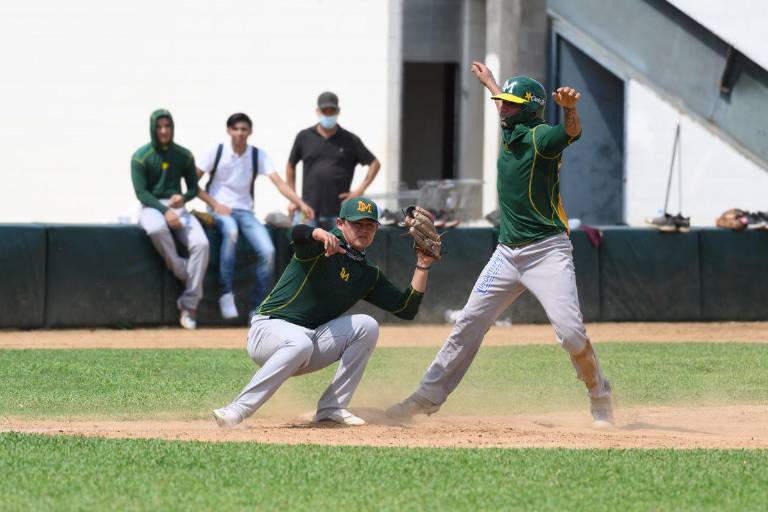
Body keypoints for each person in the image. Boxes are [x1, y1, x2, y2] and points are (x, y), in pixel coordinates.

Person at [386, 62, 615, 428]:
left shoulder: (541, 137)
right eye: (502, 101)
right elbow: (503, 105)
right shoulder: (512, 130)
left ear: (528, 109)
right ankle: (423, 399)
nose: (502, 107)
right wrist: (491, 82)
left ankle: (600, 395)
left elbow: (570, 133)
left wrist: (570, 109)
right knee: (467, 325)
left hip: (547, 252)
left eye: (511, 103)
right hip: (507, 254)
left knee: (571, 334)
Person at [212, 197, 435, 427]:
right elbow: (295, 234)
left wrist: (423, 263)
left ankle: (332, 407)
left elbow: (406, 308)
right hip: (268, 330)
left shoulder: (367, 274)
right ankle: (236, 410)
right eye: (357, 224)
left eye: (370, 225)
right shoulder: (322, 246)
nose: (364, 230)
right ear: (340, 223)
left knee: (366, 326)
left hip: (308, 341)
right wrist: (318, 233)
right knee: (300, 342)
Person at [197, 113, 315, 320]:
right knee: (231, 232)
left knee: (268, 251)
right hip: (219, 210)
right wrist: (215, 204)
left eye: (244, 129)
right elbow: (192, 183)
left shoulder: (257, 155)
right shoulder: (215, 152)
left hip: (246, 212)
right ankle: (226, 293)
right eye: (236, 129)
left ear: (250, 132)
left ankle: (257, 307)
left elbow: (279, 183)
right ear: (229, 131)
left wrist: (300, 203)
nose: (240, 133)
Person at [131, 109, 209, 330]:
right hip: (151, 206)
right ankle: (183, 271)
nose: (164, 131)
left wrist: (182, 198)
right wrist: (164, 211)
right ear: (153, 128)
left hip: (178, 206)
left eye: (168, 126)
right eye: (159, 127)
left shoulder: (184, 155)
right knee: (156, 229)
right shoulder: (140, 156)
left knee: (201, 244)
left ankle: (189, 305)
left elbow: (194, 188)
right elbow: (141, 193)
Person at [286, 91, 381, 230]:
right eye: (325, 110)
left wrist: (358, 191)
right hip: (308, 209)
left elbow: (375, 164)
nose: (328, 114)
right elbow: (290, 166)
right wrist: (294, 199)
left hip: (339, 212)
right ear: (318, 111)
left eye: (332, 111)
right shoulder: (304, 136)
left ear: (338, 111)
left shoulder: (350, 139)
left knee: (338, 250)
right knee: (306, 249)